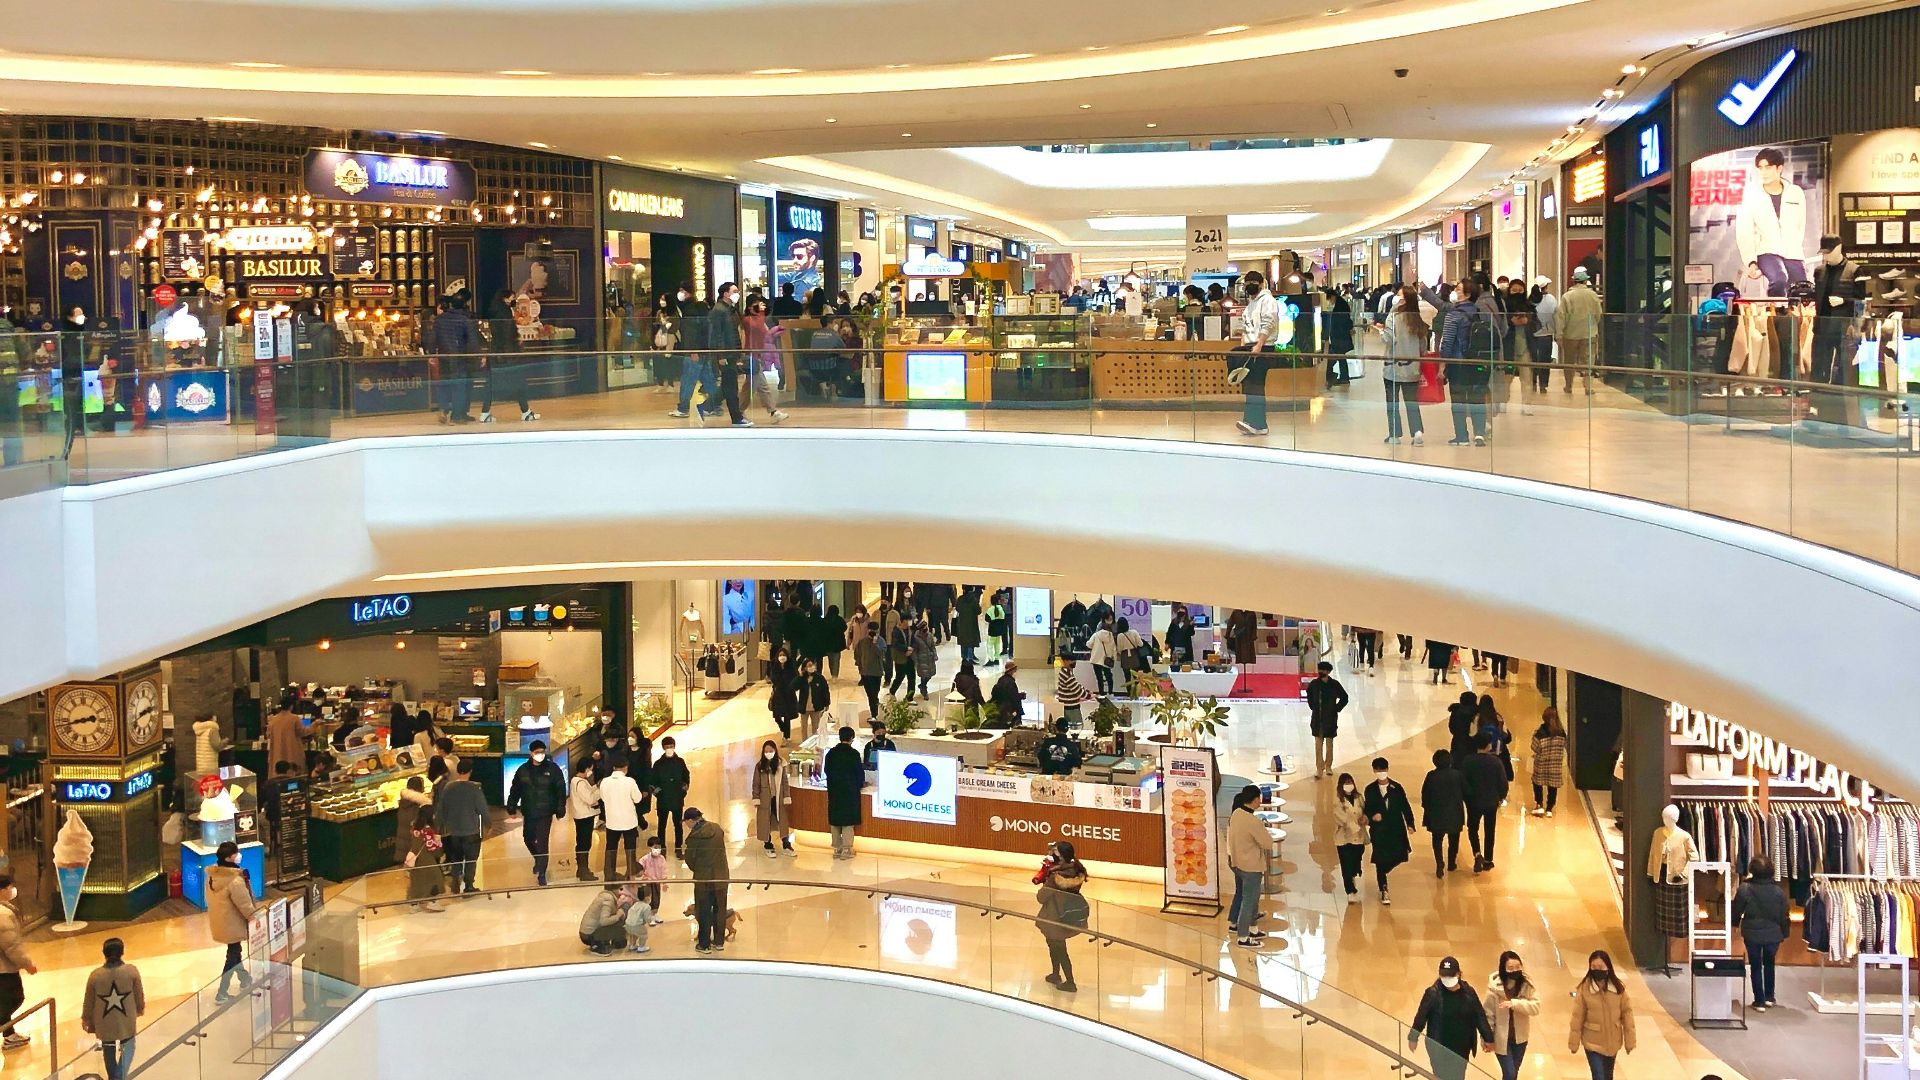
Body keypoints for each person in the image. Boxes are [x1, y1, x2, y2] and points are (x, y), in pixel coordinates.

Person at [1410, 956, 1495, 1080]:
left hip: (1461, 1047)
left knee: (1458, 1076)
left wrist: (1488, 1038)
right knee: (1440, 1076)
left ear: (1459, 974)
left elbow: (1479, 1015)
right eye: (1444, 976)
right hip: (1438, 1046)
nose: (1447, 979)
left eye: (1451, 975)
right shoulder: (1433, 993)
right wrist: (1413, 1037)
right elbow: (1421, 1017)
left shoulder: (1468, 992)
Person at [1439, 281, 1494, 446]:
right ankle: (1479, 434)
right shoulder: (1480, 312)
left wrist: (1442, 366)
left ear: (1468, 294)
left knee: (1458, 399)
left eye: (1458, 289)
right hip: (1478, 361)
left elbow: (1447, 342)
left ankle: (1462, 435)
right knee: (1477, 397)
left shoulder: (1454, 315)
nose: (1454, 291)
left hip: (1458, 363)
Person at [81, 937, 144, 1080]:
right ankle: (119, 1076)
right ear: (122, 952)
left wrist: (86, 1018)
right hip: (125, 1018)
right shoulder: (131, 971)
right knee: (128, 1046)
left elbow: (89, 1000)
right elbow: (138, 994)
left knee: (108, 1050)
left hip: (104, 1021)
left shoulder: (95, 975)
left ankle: (113, 1077)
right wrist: (140, 1008)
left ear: (104, 953)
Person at [506, 739, 566, 885]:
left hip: (545, 811)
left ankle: (542, 873)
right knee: (528, 838)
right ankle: (538, 859)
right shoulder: (523, 770)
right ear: (531, 753)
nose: (540, 754)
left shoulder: (553, 769)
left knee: (542, 842)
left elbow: (560, 789)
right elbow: (515, 789)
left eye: (542, 752)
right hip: (529, 810)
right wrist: (512, 806)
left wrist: (560, 807)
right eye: (537, 752)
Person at [1733, 856, 1788, 1011]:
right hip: (1773, 933)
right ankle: (1770, 996)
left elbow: (1737, 909)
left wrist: (1734, 924)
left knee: (1756, 965)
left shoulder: (1745, 888)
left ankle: (1759, 1001)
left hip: (1752, 933)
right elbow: (1784, 914)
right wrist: (1784, 933)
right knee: (1769, 963)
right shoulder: (1778, 891)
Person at [1568, 950, 1635, 1079]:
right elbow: (1577, 1017)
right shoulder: (1584, 989)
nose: (1597, 970)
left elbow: (1627, 1014)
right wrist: (1573, 1043)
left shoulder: (1618, 989)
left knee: (1608, 1075)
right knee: (1598, 1075)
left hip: (1612, 1042)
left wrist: (1630, 1041)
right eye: (1593, 967)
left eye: (1600, 967)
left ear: (1608, 968)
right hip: (1592, 1042)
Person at [1232, 270, 1281, 436]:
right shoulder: (1250, 304)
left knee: (1256, 385)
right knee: (1249, 385)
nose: (1250, 286)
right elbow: (1247, 326)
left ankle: (1259, 423)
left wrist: (1259, 344)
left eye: (1253, 283)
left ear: (1261, 284)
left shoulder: (1268, 301)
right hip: (1250, 346)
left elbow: (1268, 323)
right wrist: (1243, 344)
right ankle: (1250, 420)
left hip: (1263, 347)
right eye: (1247, 283)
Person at [1036, 840, 1090, 992]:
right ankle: (1055, 974)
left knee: (1058, 948)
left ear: (1061, 856)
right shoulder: (1076, 870)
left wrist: (1046, 879)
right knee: (1056, 946)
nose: (1053, 854)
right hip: (1066, 913)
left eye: (1056, 852)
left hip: (1054, 917)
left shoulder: (1056, 877)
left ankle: (1070, 981)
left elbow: (1041, 897)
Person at [1362, 757, 1415, 904]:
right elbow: (1368, 808)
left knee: (1399, 855)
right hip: (1379, 830)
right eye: (1378, 770)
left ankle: (1383, 871)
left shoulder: (1396, 788)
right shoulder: (1370, 789)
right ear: (1374, 771)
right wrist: (1372, 817)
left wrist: (1410, 823)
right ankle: (1383, 888)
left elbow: (1405, 806)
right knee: (1380, 859)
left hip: (1396, 828)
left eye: (1383, 770)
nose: (1380, 773)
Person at [1380, 285, 1429, 445]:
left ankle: (1394, 434)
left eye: (1399, 295)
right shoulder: (1418, 320)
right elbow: (1423, 347)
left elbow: (1388, 339)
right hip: (1412, 367)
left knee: (1392, 402)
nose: (1396, 297)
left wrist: (1381, 330)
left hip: (1392, 366)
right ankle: (1417, 432)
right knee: (1411, 401)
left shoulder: (1393, 317)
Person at [480, 290, 537, 423]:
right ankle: (526, 412)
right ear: (505, 298)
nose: (514, 300)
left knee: (491, 384)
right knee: (519, 381)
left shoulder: (493, 310)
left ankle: (485, 412)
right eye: (512, 298)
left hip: (495, 352)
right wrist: (514, 347)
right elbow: (507, 333)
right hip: (507, 353)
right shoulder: (504, 312)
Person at [207, 844, 254, 1004]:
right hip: (233, 923)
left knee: (235, 951)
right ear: (228, 858)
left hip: (221, 920)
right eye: (235, 853)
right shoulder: (234, 881)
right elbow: (245, 905)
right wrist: (254, 918)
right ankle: (222, 992)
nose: (238, 855)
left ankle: (244, 978)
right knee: (232, 956)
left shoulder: (213, 876)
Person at [1484, 950, 1541, 1080]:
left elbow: (1535, 1007)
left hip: (1520, 1039)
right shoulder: (1494, 990)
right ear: (1504, 969)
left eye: (1518, 967)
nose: (1515, 970)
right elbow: (1488, 1016)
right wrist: (1487, 1039)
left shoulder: (1527, 986)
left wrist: (1514, 1004)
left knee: (1513, 1073)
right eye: (1510, 968)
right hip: (1501, 1040)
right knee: (1509, 1073)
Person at [435, 759, 487, 894]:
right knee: (471, 859)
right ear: (470, 772)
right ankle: (469, 886)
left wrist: (438, 827)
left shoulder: (448, 788)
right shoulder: (474, 788)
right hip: (471, 831)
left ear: (458, 771)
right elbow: (483, 809)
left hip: (454, 832)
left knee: (456, 859)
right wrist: (489, 824)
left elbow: (441, 809)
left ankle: (455, 884)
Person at [683, 807, 731, 953]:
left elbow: (690, 860)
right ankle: (719, 941)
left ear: (691, 820)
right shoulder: (717, 828)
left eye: (686, 822)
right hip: (722, 876)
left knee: (703, 911)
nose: (686, 825)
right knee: (720, 909)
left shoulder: (694, 837)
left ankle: (704, 944)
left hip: (703, 879)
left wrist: (699, 869)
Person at [1226, 785, 1269, 947]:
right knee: (1249, 900)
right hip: (1251, 866)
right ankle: (1243, 936)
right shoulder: (1253, 821)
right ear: (1255, 799)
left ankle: (1252, 928)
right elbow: (1267, 843)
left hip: (1237, 862)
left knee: (1245, 896)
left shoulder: (1236, 814)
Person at [1460, 734, 1509, 874]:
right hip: (1491, 801)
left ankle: (1477, 853)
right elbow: (1503, 783)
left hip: (1473, 801)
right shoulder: (1496, 762)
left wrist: (1466, 797)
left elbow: (1463, 781)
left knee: (1473, 828)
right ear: (1488, 745)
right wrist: (1501, 797)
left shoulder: (1468, 761)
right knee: (1489, 830)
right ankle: (1488, 860)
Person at [432, 290, 482, 423]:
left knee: (444, 384)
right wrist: (477, 356)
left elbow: (433, 338)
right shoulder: (465, 320)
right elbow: (472, 341)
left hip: (444, 356)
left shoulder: (439, 320)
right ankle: (458, 415)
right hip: (460, 357)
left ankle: (443, 408)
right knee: (460, 386)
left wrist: (431, 352)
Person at [706, 282, 751, 426]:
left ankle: (705, 406)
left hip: (732, 352)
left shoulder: (730, 310)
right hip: (726, 354)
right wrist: (721, 356)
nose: (737, 293)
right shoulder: (719, 310)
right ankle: (736, 418)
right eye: (734, 291)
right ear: (725, 294)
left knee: (728, 385)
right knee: (731, 386)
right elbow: (716, 335)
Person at [398, 775, 445, 911]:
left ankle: (415, 902)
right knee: (432, 876)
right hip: (419, 848)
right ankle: (428, 900)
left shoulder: (403, 804)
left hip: (409, 845)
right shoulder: (419, 808)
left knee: (417, 876)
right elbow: (431, 843)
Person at [1420, 749, 1467, 878]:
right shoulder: (1458, 775)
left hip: (1436, 813)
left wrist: (1427, 808)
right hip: (1455, 813)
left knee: (1437, 840)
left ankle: (1439, 863)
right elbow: (1466, 792)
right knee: (1454, 839)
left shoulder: (1431, 776)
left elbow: (1425, 795)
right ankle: (1452, 863)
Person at [598, 759, 646, 879]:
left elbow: (603, 798)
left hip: (612, 822)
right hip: (628, 822)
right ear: (626, 768)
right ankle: (630, 873)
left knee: (611, 848)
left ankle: (609, 875)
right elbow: (638, 799)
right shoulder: (629, 781)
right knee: (630, 849)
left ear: (614, 767)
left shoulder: (605, 781)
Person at [1555, 269, 1600, 395]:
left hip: (1571, 334)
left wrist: (1559, 334)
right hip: (1589, 333)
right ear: (1586, 280)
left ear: (1574, 280)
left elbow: (1561, 316)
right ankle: (1588, 387)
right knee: (1588, 361)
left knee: (1569, 362)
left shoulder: (1567, 296)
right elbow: (1598, 314)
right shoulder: (1593, 295)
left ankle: (1569, 386)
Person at [824, 726, 865, 859]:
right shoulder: (854, 754)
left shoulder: (831, 753)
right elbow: (859, 774)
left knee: (835, 821)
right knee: (848, 821)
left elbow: (826, 771)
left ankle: (836, 849)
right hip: (850, 792)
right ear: (852, 738)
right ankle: (846, 850)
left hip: (834, 790)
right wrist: (859, 785)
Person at [1306, 660, 1349, 778]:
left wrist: (1336, 708)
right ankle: (1319, 768)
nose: (1321, 672)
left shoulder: (1335, 684)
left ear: (1328, 671)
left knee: (1329, 744)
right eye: (1320, 669)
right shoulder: (1314, 684)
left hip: (1330, 718)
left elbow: (1345, 697)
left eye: (1323, 670)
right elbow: (1309, 695)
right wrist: (1313, 707)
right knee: (1318, 744)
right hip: (1317, 718)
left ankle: (1328, 766)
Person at [752, 740, 795, 857]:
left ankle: (786, 844)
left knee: (782, 821)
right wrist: (756, 798)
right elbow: (756, 784)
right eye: (766, 751)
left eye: (770, 751)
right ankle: (768, 844)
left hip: (779, 798)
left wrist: (787, 796)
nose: (768, 753)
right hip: (765, 799)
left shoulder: (781, 764)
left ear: (775, 751)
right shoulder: (760, 766)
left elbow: (785, 782)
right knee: (765, 821)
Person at [1330, 772, 1368, 903]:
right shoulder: (1337, 801)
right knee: (1346, 864)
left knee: (1357, 858)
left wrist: (1365, 818)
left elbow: (1365, 809)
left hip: (1358, 837)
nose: (1348, 785)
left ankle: (1354, 873)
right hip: (1344, 838)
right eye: (1346, 783)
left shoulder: (1359, 797)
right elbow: (1342, 818)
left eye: (1350, 782)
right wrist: (1354, 825)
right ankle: (1350, 890)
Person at [652, 736, 691, 856]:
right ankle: (661, 849)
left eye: (671, 746)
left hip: (677, 799)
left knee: (678, 825)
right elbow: (653, 780)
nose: (669, 748)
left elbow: (686, 778)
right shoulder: (658, 764)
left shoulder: (680, 762)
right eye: (667, 746)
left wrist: (682, 791)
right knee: (661, 826)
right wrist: (657, 793)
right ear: (663, 747)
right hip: (663, 800)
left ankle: (678, 848)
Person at [1528, 708, 1567, 817]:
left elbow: (1534, 747)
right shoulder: (1561, 733)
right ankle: (1549, 808)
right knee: (1552, 786)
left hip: (1542, 764)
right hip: (1555, 765)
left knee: (1537, 783)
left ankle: (1539, 804)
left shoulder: (1541, 732)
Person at [568, 758, 601, 881]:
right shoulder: (580, 783)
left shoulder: (577, 781)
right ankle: (583, 870)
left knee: (582, 843)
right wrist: (599, 790)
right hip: (584, 816)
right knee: (584, 843)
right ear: (587, 769)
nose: (591, 772)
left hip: (581, 815)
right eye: (591, 769)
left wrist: (595, 787)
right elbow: (590, 799)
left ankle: (582, 869)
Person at [579, 884, 628, 956]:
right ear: (614, 889)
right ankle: (598, 945)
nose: (623, 892)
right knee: (620, 925)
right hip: (590, 935)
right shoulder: (608, 900)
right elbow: (604, 921)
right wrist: (618, 915)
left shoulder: (605, 896)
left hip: (587, 933)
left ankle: (616, 942)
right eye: (620, 889)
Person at [265, 696, 307, 777]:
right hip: (293, 752)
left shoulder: (273, 719)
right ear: (291, 706)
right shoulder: (294, 718)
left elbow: (268, 735)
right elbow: (302, 732)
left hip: (277, 753)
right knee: (293, 775)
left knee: (278, 776)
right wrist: (314, 726)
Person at [793, 658, 831, 742]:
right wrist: (800, 676)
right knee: (804, 727)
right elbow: (793, 687)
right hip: (804, 707)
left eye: (812, 665)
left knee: (815, 727)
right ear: (805, 668)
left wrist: (827, 703)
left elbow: (825, 691)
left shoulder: (819, 678)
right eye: (809, 665)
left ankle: (815, 743)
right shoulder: (802, 678)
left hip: (816, 707)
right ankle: (804, 743)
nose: (812, 667)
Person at [767, 645, 799, 741]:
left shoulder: (791, 666)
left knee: (787, 715)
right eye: (780, 655)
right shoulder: (774, 666)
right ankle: (784, 729)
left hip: (789, 694)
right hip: (778, 694)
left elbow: (795, 678)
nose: (782, 657)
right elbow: (773, 678)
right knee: (777, 715)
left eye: (784, 655)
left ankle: (786, 736)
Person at [854, 621, 885, 719]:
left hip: (876, 672)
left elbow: (881, 654)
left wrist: (875, 643)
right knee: (870, 695)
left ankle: (874, 713)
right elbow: (857, 654)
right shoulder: (862, 642)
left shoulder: (881, 641)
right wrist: (860, 667)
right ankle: (873, 714)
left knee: (874, 694)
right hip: (865, 673)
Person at [637, 835, 669, 918]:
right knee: (648, 900)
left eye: (659, 847)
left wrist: (664, 883)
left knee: (656, 900)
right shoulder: (644, 859)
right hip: (647, 884)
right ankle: (648, 916)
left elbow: (664, 871)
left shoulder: (662, 858)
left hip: (657, 883)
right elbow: (639, 871)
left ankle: (654, 914)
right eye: (655, 847)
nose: (657, 849)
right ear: (649, 848)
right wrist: (643, 878)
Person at [1086, 617, 1119, 697]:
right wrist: (1114, 658)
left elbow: (1089, 644)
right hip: (1106, 659)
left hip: (1096, 659)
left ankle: (1101, 692)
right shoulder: (1110, 636)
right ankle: (1110, 692)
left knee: (1099, 677)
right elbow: (1114, 648)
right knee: (1109, 676)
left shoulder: (1096, 635)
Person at [1447, 691, 1479, 763]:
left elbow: (1452, 728)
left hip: (1457, 744)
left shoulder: (1455, 711)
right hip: (1473, 745)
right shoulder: (1477, 712)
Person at [910, 618, 938, 700]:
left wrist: (935, 654)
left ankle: (922, 685)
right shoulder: (916, 637)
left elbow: (932, 646)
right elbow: (915, 650)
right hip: (921, 660)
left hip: (930, 658)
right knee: (924, 675)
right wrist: (915, 661)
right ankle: (924, 690)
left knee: (930, 675)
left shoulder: (929, 635)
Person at [954, 586, 983, 666]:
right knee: (971, 640)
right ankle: (970, 657)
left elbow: (957, 608)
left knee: (963, 640)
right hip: (972, 622)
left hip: (962, 622)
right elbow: (978, 611)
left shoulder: (960, 599)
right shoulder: (974, 599)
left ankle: (964, 657)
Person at [990, 663, 1026, 727]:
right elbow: (1013, 697)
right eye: (1015, 670)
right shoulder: (1011, 683)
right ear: (1012, 671)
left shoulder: (1001, 680)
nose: (1016, 672)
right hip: (1009, 709)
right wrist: (1021, 696)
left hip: (1002, 709)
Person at [820, 604, 848, 679]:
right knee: (836, 659)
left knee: (830, 659)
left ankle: (832, 672)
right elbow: (845, 627)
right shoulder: (840, 620)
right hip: (838, 643)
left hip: (828, 643)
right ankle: (835, 675)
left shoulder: (825, 620)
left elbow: (822, 631)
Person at [984, 593, 1009, 666]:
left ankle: (991, 660)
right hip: (999, 630)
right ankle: (997, 659)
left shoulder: (990, 610)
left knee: (990, 645)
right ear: (998, 601)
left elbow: (987, 619)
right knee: (997, 644)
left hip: (992, 630)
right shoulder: (1001, 608)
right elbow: (1003, 618)